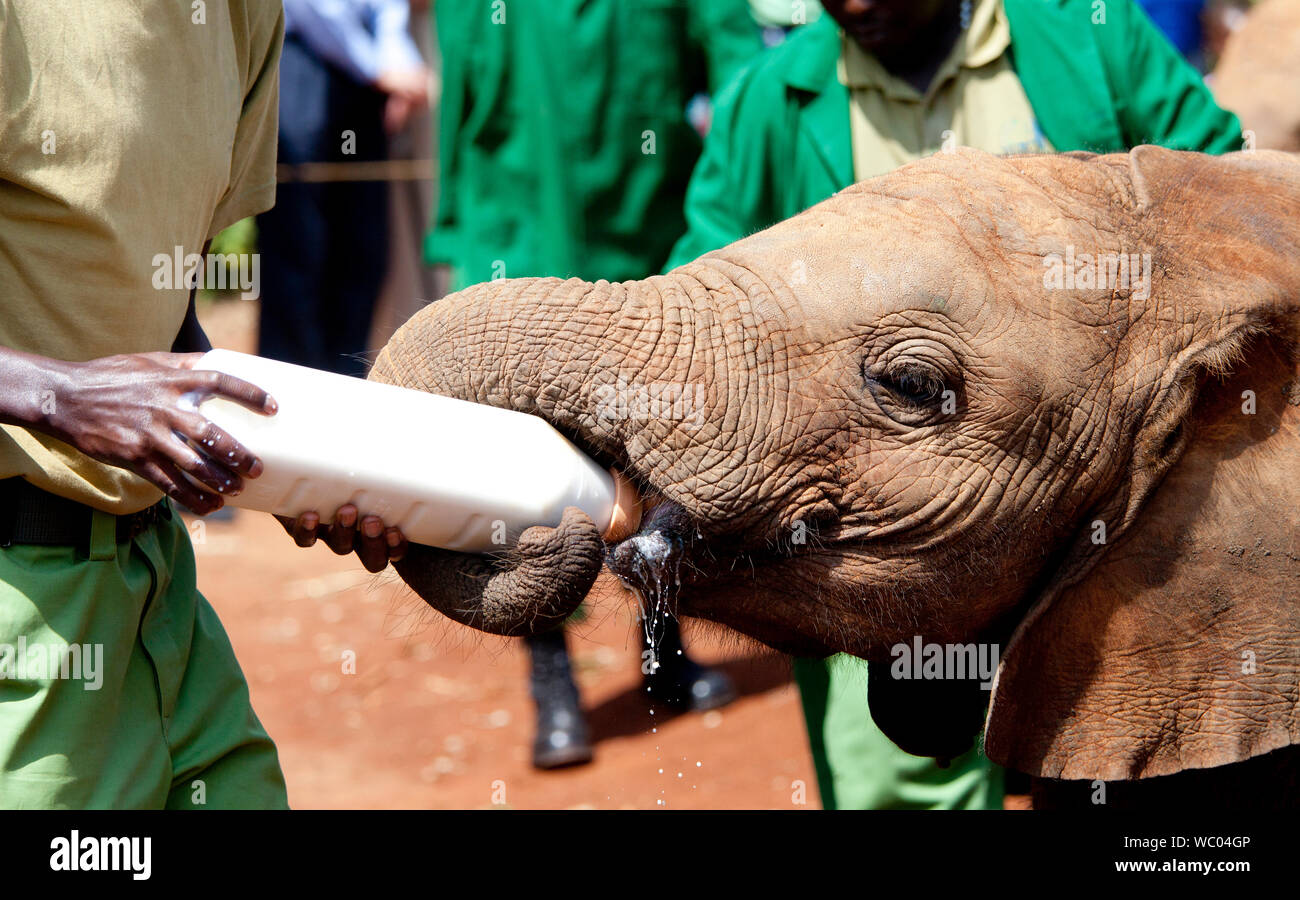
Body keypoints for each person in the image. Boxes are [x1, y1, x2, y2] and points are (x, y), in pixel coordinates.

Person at [666, 0, 1243, 808]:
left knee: (1117, 775)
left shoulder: (1083, 40)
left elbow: (1221, 192)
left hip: (1095, 527)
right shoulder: (774, 98)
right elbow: (699, 302)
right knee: (900, 785)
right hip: (875, 546)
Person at [0, 0, 407, 809]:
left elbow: (164, 311)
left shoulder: (241, 14)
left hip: (158, 595)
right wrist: (58, 394)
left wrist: (294, 464)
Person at [430, 0, 764, 769]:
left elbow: (736, 57)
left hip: (647, 228)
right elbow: (464, 91)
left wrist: (747, 173)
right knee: (525, 467)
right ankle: (553, 681)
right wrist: (455, 229)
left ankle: (664, 650)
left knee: (657, 448)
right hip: (517, 226)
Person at [257, 0, 432, 376]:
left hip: (366, 83)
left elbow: (387, 11)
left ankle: (344, 389)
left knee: (362, 256)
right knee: (297, 257)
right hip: (303, 65)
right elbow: (319, 8)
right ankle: (284, 400)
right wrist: (376, 67)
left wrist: (396, 61)